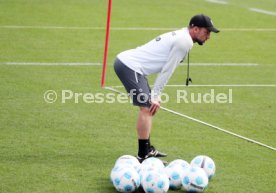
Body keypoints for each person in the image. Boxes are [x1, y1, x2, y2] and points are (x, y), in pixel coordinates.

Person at [114, 14, 219, 163]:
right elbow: (167, 70)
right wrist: (155, 96)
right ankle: (143, 155)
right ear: (195, 29)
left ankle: (147, 149)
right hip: (129, 66)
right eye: (206, 32)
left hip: (131, 65)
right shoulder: (184, 42)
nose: (208, 36)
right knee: (146, 108)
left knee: (148, 107)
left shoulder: (183, 36)